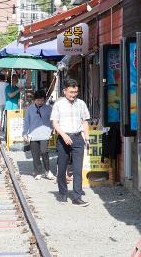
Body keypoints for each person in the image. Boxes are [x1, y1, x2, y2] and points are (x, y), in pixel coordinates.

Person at [50, 78, 90, 207]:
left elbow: (85, 121)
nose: (73, 95)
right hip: (63, 138)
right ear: (64, 91)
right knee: (62, 168)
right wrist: (63, 135)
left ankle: (77, 197)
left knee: (78, 169)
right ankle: (63, 193)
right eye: (71, 92)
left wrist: (87, 138)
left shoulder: (81, 103)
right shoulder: (58, 104)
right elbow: (55, 122)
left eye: (75, 92)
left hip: (78, 138)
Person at [23, 90, 55, 180]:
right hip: (33, 135)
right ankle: (38, 172)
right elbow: (26, 122)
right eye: (38, 100)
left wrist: (53, 129)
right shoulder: (30, 109)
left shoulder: (49, 108)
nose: (40, 102)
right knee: (35, 154)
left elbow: (53, 120)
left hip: (45, 133)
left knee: (44, 152)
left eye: (42, 100)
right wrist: (25, 133)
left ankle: (47, 170)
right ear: (34, 100)